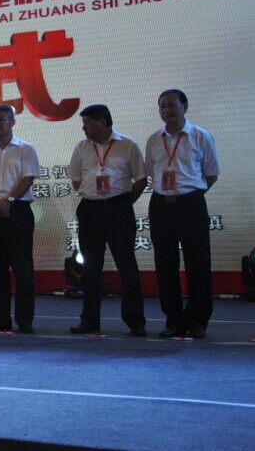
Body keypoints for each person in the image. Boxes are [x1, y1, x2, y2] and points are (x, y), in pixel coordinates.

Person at [145, 89, 219, 339]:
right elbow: (151, 172)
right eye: (162, 106)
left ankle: (197, 320)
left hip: (191, 204)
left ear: (184, 107)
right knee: (165, 265)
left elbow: (211, 174)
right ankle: (173, 320)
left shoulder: (201, 136)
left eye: (171, 105)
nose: (166, 111)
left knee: (198, 263)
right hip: (161, 205)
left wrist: (190, 195)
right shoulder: (154, 140)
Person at [68, 104, 147, 336]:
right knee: (90, 268)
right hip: (90, 210)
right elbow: (76, 180)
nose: (84, 128)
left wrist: (123, 203)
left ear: (103, 122)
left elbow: (141, 179)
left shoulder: (127, 145)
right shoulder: (81, 147)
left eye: (88, 123)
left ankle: (135, 321)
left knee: (127, 267)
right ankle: (89, 321)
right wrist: (93, 194)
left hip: (118, 209)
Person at [0, 105, 40, 333]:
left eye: (2, 120)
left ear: (13, 123)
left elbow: (28, 178)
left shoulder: (25, 149)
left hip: (18, 211)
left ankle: (25, 320)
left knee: (22, 266)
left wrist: (9, 200)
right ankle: (0, 318)